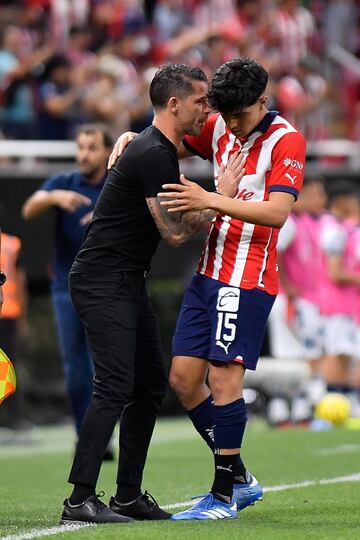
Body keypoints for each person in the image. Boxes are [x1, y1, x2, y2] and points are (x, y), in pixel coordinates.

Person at [112, 56, 306, 521]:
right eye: (226, 115)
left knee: (222, 381)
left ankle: (221, 497)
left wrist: (209, 197)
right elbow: (167, 131)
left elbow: (278, 213)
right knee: (182, 380)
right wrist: (131, 138)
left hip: (247, 276)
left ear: (263, 100)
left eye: (241, 115)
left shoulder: (287, 140)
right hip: (208, 272)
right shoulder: (219, 125)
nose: (232, 126)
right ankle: (240, 477)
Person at [60, 63, 214, 525]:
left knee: (147, 386)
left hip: (124, 279)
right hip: (102, 279)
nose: (205, 109)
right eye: (199, 101)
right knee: (114, 385)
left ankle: (127, 495)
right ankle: (79, 500)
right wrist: (214, 202)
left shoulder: (154, 147)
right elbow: (170, 232)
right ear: (174, 104)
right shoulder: (152, 152)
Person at [22, 124, 112, 444]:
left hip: (105, 287)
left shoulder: (114, 186)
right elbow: (29, 208)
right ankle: (85, 436)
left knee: (106, 366)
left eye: (91, 147)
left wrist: (104, 215)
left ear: (105, 152)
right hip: (66, 286)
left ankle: (102, 435)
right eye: (80, 147)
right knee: (75, 369)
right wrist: (52, 197)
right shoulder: (65, 182)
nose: (84, 154)